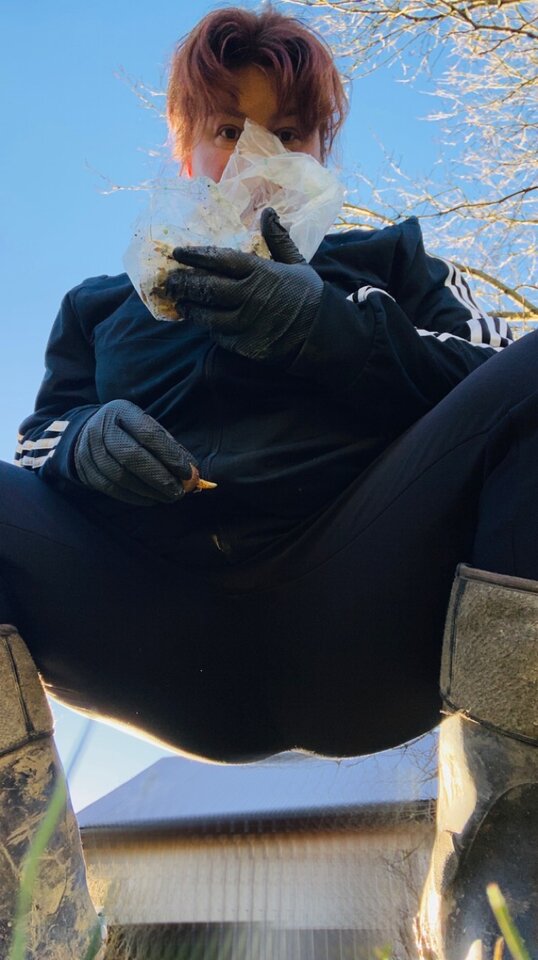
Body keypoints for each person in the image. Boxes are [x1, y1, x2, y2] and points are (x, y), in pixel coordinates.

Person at [1, 6, 536, 959]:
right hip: (151, 628)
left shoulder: (391, 264)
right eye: (226, 129)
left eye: (285, 134)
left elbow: (497, 370)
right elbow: (37, 442)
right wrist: (81, 443)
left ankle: (503, 890)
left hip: (365, 612)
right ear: (184, 144)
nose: (255, 159)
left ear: (321, 146)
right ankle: (31, 921)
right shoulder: (97, 309)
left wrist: (333, 329)